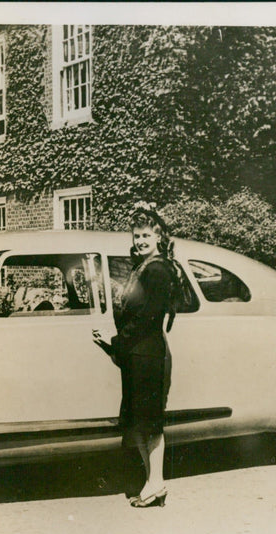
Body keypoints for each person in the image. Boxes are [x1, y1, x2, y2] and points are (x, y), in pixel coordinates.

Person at [93, 201, 181, 508]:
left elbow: (145, 319)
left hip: (146, 355)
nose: (140, 241)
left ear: (158, 236)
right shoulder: (143, 267)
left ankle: (156, 481)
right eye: (137, 236)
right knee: (139, 423)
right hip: (137, 355)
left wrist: (113, 340)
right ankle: (151, 482)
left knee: (149, 423)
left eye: (146, 235)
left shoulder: (157, 270)